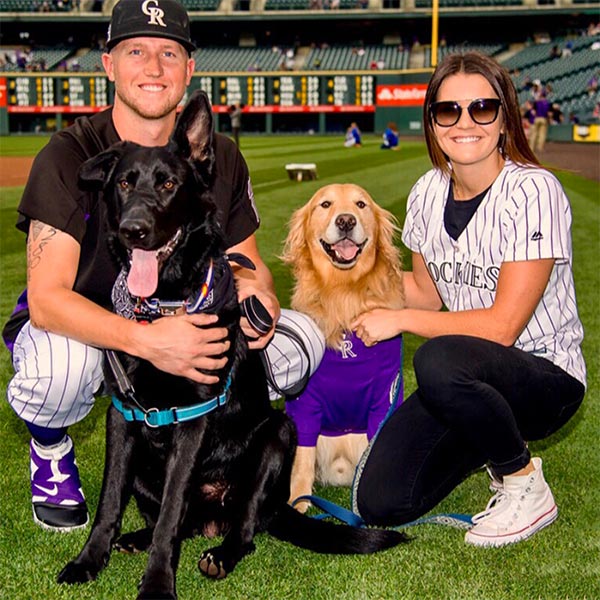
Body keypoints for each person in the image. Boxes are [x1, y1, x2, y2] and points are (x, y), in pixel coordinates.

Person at [2, 0, 322, 533]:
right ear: (108, 64)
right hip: (92, 333)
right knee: (57, 374)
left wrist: (253, 293)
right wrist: (148, 342)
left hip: (189, 321)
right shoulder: (69, 152)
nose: (153, 67)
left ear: (189, 68)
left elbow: (247, 262)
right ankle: (52, 449)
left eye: (168, 53)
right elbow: (48, 300)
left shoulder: (214, 152)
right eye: (136, 51)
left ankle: (205, 444)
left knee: (299, 343)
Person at [352, 51, 586, 547]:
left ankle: (522, 479)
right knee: (381, 500)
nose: (464, 122)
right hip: (465, 377)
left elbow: (503, 327)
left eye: (482, 108)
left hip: (544, 374)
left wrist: (401, 321)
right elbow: (425, 294)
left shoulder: (533, 190)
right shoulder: (426, 192)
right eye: (447, 111)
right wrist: (354, 278)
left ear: (504, 118)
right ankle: (485, 430)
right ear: (433, 124)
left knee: (438, 356)